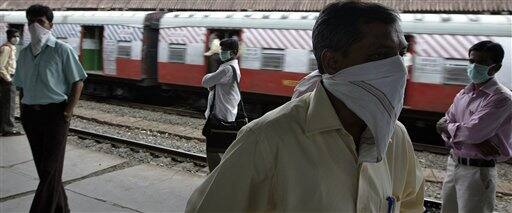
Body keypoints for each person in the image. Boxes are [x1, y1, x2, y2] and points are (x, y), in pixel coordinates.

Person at [186, 2, 424, 212]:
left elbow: (410, 205)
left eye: (400, 55)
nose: (398, 69)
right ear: (332, 62)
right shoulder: (266, 140)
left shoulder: (397, 139)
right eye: (378, 56)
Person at [13, 4, 87, 213]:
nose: (35, 26)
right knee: (47, 172)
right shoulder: (25, 54)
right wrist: (22, 109)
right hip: (30, 116)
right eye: (31, 22)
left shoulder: (63, 50)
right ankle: (62, 209)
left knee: (49, 169)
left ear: (50, 25)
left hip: (55, 115)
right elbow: (21, 86)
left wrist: (68, 111)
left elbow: (78, 81)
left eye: (40, 22)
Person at [437, 40, 511, 213]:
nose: (474, 66)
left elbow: (469, 131)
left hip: (478, 172)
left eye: (482, 62)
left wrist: (449, 129)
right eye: (472, 61)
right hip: (453, 164)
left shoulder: (501, 98)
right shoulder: (463, 94)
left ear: (495, 68)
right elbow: (450, 129)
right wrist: (472, 141)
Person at [201, 38, 242, 172]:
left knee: (213, 152)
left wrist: (210, 80)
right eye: (221, 50)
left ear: (234, 52)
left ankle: (215, 180)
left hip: (220, 116)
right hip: (224, 114)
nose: (222, 52)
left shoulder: (227, 70)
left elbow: (206, 82)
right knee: (219, 151)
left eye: (225, 50)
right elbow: (213, 85)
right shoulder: (229, 67)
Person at [0, 28, 23, 136]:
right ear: (9, 37)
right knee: (9, 104)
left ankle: (4, 127)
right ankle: (8, 129)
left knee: (5, 103)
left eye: (18, 36)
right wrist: (8, 79)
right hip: (7, 78)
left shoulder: (11, 48)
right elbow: (1, 66)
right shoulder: (7, 49)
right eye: (15, 36)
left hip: (8, 77)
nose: (17, 38)